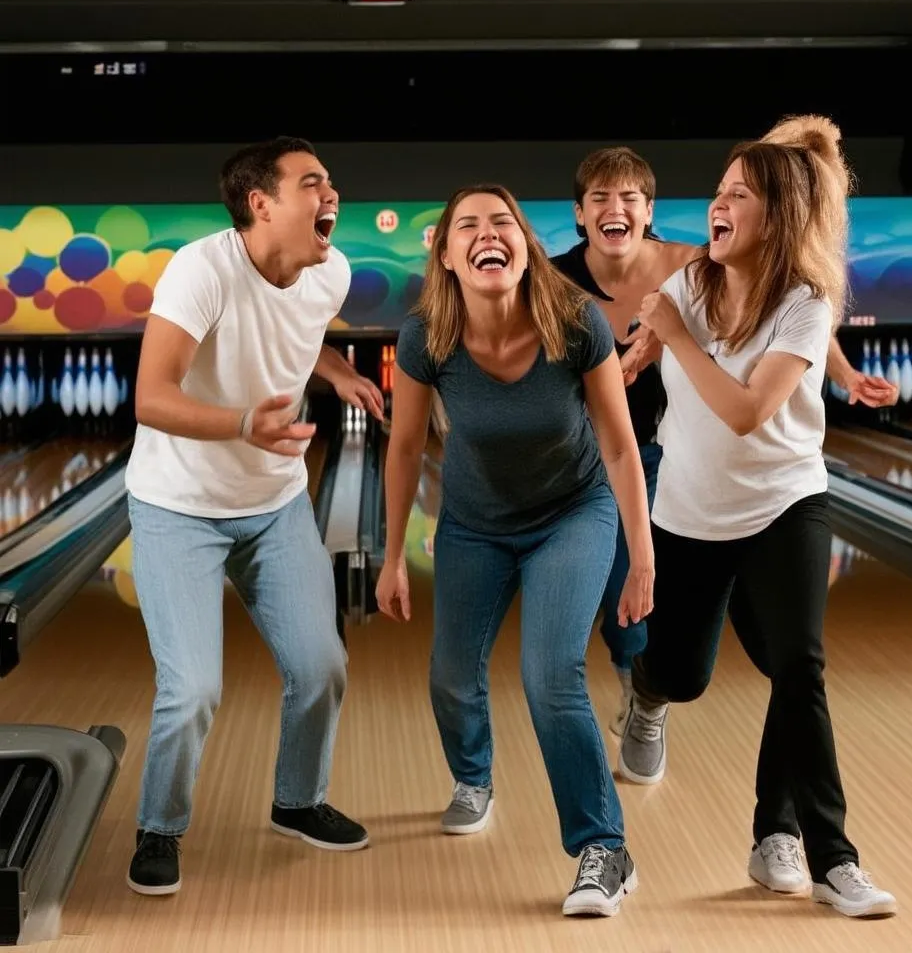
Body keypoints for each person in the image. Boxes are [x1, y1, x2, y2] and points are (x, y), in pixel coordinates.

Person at [617, 117, 898, 919]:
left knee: (796, 668)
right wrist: (641, 348)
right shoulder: (684, 287)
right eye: (719, 190)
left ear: (777, 216)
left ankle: (817, 851)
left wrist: (675, 337)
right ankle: (645, 691)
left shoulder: (807, 304)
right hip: (690, 514)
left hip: (785, 504)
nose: (719, 203)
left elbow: (746, 412)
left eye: (739, 194)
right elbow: (633, 361)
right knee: (682, 675)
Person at [375, 184, 654, 917]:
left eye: (502, 221)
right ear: (444, 253)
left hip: (573, 512)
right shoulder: (425, 337)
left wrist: (642, 556)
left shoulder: (575, 322)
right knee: (449, 673)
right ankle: (474, 777)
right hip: (474, 524)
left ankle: (604, 847)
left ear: (527, 245)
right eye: (466, 223)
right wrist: (392, 556)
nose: (486, 232)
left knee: (548, 673)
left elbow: (621, 447)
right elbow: (404, 448)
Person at [550, 145, 897, 735]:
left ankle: (645, 687)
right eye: (600, 198)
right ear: (580, 213)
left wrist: (842, 375)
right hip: (586, 451)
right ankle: (650, 680)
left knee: (653, 595)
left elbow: (792, 312)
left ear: (649, 210)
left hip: (663, 449)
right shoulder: (555, 280)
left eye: (629, 197)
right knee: (631, 602)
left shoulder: (691, 263)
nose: (616, 208)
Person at [124, 136, 385, 897]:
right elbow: (150, 397)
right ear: (260, 204)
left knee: (322, 666)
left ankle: (297, 800)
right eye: (311, 182)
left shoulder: (327, 271)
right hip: (179, 508)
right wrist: (243, 424)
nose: (330, 193)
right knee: (193, 688)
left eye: (330, 180)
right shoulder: (199, 272)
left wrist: (335, 368)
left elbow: (294, 335)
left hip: (273, 507)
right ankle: (160, 826)